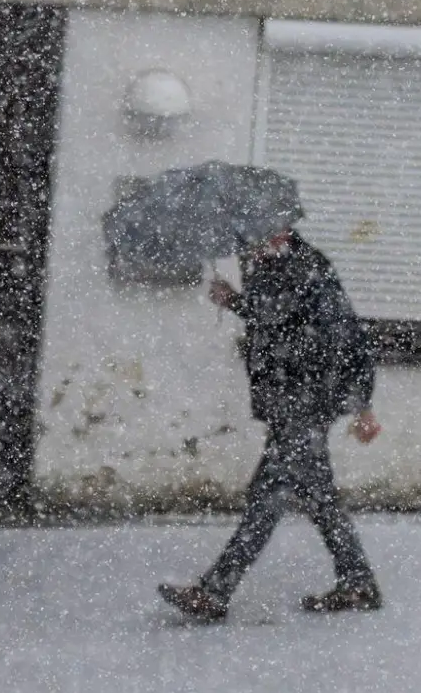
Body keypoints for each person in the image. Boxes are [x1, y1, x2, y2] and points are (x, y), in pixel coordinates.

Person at [160, 228, 383, 620]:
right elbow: (280, 320)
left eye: (259, 238)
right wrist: (239, 302)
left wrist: (360, 403)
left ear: (281, 232)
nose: (252, 246)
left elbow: (335, 334)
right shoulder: (272, 267)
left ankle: (215, 591)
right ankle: (358, 582)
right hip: (291, 403)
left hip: (307, 402)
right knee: (320, 499)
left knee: (270, 494)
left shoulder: (304, 268)